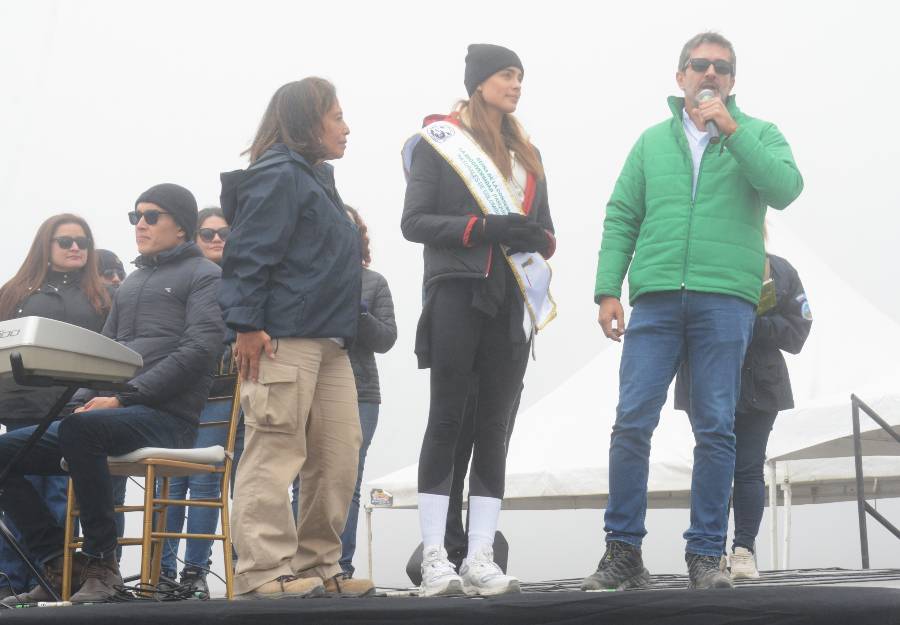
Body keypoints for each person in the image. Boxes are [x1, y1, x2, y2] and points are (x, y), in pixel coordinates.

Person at [583, 31, 803, 591]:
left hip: (725, 298)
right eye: (699, 65)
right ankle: (623, 550)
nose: (710, 74)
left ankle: (706, 553)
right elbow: (622, 215)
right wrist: (609, 287)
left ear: (733, 82)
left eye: (722, 68)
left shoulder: (759, 134)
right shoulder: (651, 143)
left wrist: (734, 135)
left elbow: (785, 188)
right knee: (632, 421)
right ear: (679, 76)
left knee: (717, 429)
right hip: (655, 297)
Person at [0, 183, 225, 603]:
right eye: (135, 216)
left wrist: (125, 398)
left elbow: (198, 351)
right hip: (115, 415)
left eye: (151, 216)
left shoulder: (206, 276)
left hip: (168, 420)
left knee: (83, 430)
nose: (140, 224)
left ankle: (103, 563)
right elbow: (103, 355)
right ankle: (58, 564)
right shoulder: (134, 281)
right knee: (5, 452)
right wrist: (76, 401)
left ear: (182, 226)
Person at [402, 43, 555, 597]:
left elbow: (546, 232)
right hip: (458, 292)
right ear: (479, 82)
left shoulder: (528, 155)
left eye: (520, 75)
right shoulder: (439, 145)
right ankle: (438, 553)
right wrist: (486, 227)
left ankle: (482, 554)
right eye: (507, 75)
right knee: (446, 418)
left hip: (511, 299)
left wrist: (535, 237)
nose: (516, 85)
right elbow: (414, 221)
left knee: (495, 425)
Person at [219, 77, 372, 600]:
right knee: (274, 450)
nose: (345, 127)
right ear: (309, 123)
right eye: (336, 116)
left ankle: (319, 565)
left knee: (337, 454)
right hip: (280, 337)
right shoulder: (278, 175)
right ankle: (263, 571)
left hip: (330, 341)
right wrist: (245, 325)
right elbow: (248, 253)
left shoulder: (315, 177)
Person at [674, 252, 812, 578]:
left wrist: (749, 322)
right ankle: (710, 553)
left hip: (761, 383)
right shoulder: (694, 259)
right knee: (711, 463)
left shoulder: (777, 269)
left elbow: (798, 330)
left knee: (749, 468)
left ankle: (743, 551)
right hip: (705, 378)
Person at [0, 214, 111, 600]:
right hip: (20, 408)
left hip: (72, 413)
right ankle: (15, 581)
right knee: (16, 499)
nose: (76, 248)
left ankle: (56, 579)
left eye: (83, 241)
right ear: (45, 247)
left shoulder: (101, 297)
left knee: (60, 502)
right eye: (66, 242)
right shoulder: (13, 293)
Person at [157, 207, 234, 597]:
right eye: (207, 233)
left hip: (220, 393)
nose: (216, 239)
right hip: (174, 391)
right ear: (194, 237)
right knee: (170, 482)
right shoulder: (181, 277)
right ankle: (163, 575)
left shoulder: (242, 280)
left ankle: (194, 574)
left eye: (223, 233)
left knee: (204, 482)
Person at [95, 248, 128, 564]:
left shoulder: (128, 309)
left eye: (120, 274)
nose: (116, 281)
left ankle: (109, 567)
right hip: (79, 410)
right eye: (108, 275)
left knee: (113, 499)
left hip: (116, 412)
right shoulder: (84, 312)